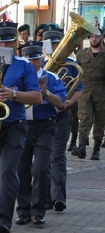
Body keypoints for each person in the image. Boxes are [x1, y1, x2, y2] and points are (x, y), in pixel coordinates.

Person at [0, 21, 41, 233]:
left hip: (15, 125)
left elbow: (37, 97)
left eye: (9, 41)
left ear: (16, 43)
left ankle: (4, 222)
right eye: (0, 41)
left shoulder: (24, 66)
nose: (4, 45)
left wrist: (13, 95)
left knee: (7, 172)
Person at [15, 42, 66, 226]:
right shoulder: (18, 76)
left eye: (35, 59)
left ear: (42, 59)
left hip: (44, 126)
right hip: (22, 126)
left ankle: (38, 211)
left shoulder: (51, 77)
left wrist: (46, 92)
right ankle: (23, 211)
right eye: (29, 59)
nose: (32, 63)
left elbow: (61, 105)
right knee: (21, 170)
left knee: (41, 168)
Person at [43, 27, 82, 212]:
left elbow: (79, 89)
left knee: (57, 155)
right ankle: (43, 197)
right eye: (50, 43)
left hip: (62, 115)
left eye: (57, 43)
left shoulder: (71, 65)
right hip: (42, 117)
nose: (54, 46)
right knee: (43, 158)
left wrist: (68, 102)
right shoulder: (38, 64)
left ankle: (58, 197)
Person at [71, 29, 105, 160]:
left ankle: (96, 148)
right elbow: (77, 72)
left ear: (102, 38)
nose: (94, 39)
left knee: (100, 120)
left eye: (96, 37)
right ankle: (82, 147)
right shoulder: (81, 54)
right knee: (84, 117)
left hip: (102, 91)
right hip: (85, 90)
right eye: (91, 37)